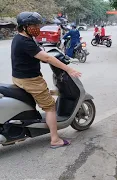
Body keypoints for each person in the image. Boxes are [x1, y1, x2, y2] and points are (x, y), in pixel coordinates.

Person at [12, 12, 81, 148]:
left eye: (38, 25)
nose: (37, 27)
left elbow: (36, 53)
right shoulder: (26, 41)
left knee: (48, 93)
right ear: (25, 26)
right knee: (50, 107)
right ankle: (55, 140)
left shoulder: (20, 38)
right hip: (30, 80)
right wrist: (69, 69)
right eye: (34, 25)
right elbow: (48, 58)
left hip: (19, 78)